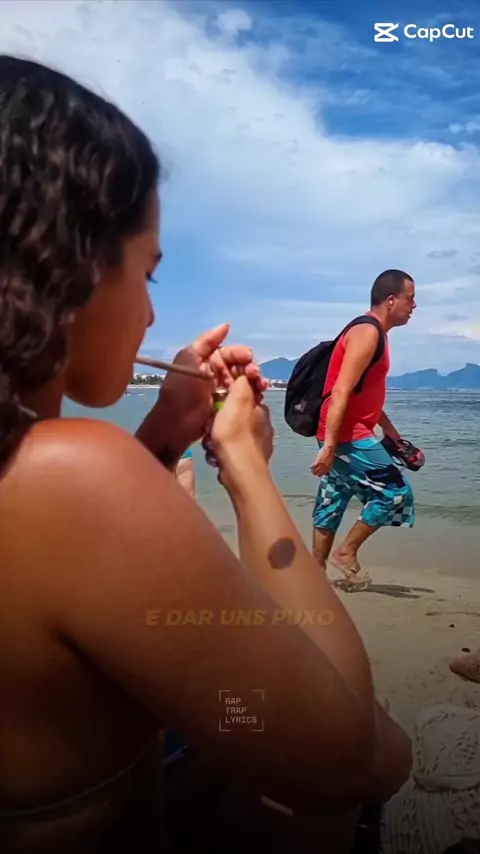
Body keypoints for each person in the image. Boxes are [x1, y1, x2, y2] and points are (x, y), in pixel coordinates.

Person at [0, 57, 411, 853]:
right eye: (149, 274)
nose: (154, 313)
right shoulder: (72, 474)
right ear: (70, 265)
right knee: (371, 754)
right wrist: (245, 464)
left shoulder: (38, 472)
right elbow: (348, 758)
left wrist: (162, 434)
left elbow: (66, 572)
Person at [311, 270, 416, 588]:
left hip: (341, 431)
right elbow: (341, 390)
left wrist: (391, 432)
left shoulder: (373, 333)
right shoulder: (367, 332)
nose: (414, 306)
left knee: (334, 497)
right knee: (395, 493)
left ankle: (313, 577)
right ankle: (346, 552)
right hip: (346, 434)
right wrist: (331, 446)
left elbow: (362, 394)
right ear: (391, 300)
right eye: (410, 298)